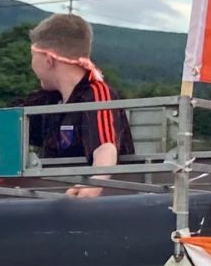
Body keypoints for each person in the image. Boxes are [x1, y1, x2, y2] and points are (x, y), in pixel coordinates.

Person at [14, 13, 133, 198]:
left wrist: (94, 183)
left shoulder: (97, 93)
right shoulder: (47, 100)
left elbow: (106, 147)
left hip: (97, 208)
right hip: (55, 202)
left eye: (32, 56)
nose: (31, 65)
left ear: (48, 60)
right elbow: (7, 126)